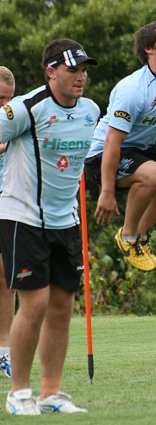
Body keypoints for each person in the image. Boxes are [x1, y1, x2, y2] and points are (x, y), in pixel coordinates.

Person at [0, 38, 100, 415]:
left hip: (67, 222)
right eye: (73, 69)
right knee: (36, 304)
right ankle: (19, 394)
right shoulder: (25, 108)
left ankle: (50, 393)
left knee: (61, 306)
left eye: (84, 70)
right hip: (23, 218)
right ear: (51, 71)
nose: (80, 77)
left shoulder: (91, 110)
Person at [85, 20, 156, 272]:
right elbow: (113, 140)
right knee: (154, 173)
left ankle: (136, 236)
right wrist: (107, 191)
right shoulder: (133, 89)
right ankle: (128, 238)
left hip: (139, 151)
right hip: (102, 154)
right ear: (149, 49)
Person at [0, 66, 16, 379]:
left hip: (5, 201)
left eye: (8, 99)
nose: (4, 105)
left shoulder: (12, 117)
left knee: (4, 277)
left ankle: (4, 351)